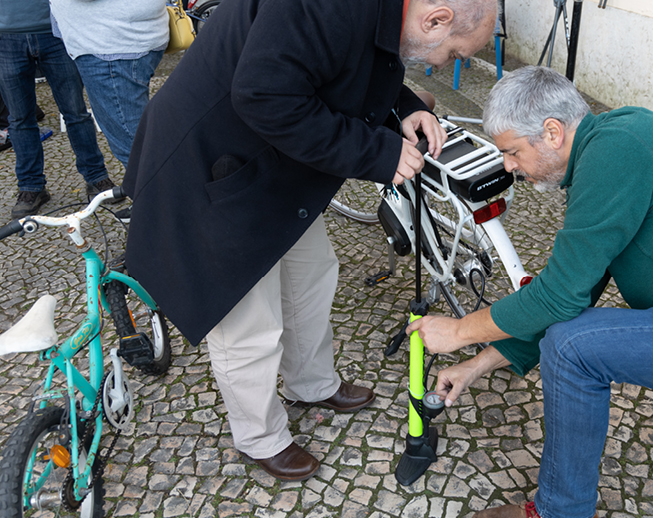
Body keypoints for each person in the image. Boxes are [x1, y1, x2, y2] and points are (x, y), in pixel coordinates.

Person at [122, 0, 498, 481]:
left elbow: (349, 63)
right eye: (454, 52)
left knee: (312, 275)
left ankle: (311, 383)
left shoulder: (380, 11)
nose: (443, 64)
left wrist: (401, 108)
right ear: (436, 19)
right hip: (216, 166)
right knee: (248, 321)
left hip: (278, 163)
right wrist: (377, 151)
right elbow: (264, 96)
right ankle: (260, 436)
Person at [407, 66, 653, 518]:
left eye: (512, 152)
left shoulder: (616, 154)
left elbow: (558, 298)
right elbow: (578, 287)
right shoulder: (618, 137)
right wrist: (480, 364)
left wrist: (459, 330)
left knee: (573, 347)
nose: (508, 167)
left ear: (552, 132)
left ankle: (559, 511)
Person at [0, 0, 116, 219]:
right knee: (19, 119)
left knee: (76, 113)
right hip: (6, 36)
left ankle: (96, 176)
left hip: (57, 31)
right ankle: (31, 187)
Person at [48, 0, 169, 170]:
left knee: (137, 153)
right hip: (117, 39)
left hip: (112, 43)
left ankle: (163, 195)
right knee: (139, 145)